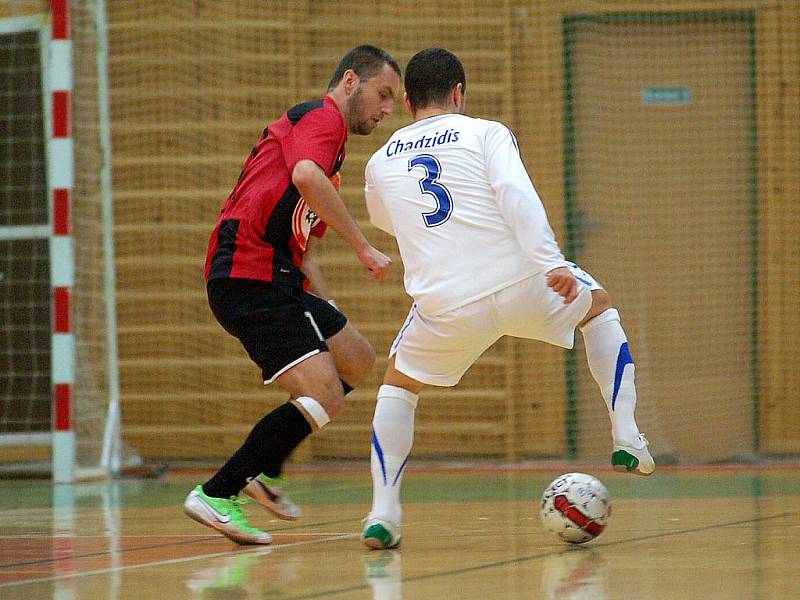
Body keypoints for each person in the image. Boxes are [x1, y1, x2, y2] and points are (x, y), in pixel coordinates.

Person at [360, 48, 655, 550]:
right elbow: (516, 194)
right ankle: (626, 433)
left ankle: (383, 514)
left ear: (407, 101)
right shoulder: (485, 132)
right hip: (523, 282)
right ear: (459, 94)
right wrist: (551, 263)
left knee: (400, 384)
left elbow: (386, 221)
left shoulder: (379, 161)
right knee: (598, 308)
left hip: (445, 304)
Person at [183, 45, 401, 545]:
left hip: (279, 274)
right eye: (382, 94)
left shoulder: (331, 153)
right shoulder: (322, 121)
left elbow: (305, 255)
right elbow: (305, 176)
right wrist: (365, 247)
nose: (386, 109)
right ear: (350, 81)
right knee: (324, 393)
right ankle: (219, 493)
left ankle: (266, 470)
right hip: (248, 272)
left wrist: (329, 311)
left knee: (357, 359)